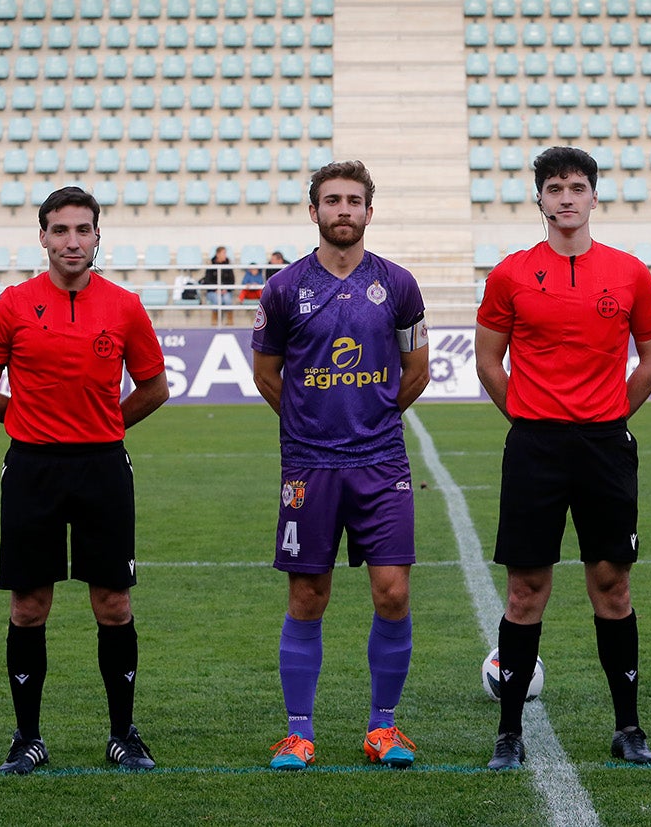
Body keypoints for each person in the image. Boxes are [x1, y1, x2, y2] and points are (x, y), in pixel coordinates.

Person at [475, 146, 651, 771]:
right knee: (526, 588)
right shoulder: (509, 274)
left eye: (578, 186)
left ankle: (629, 728)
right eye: (555, 187)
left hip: (604, 446)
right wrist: (531, 417)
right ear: (539, 198)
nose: (567, 197)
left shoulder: (629, 273)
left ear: (594, 197)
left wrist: (610, 414)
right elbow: (488, 362)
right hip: (536, 447)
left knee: (612, 585)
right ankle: (509, 735)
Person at [0, 187, 169, 775]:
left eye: (83, 230)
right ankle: (28, 737)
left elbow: (154, 388)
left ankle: (123, 735)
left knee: (113, 602)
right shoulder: (13, 304)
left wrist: (102, 426)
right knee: (30, 605)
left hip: (103, 467)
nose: (72, 241)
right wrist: (35, 423)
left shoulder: (125, 305)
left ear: (98, 235)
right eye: (60, 230)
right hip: (33, 468)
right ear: (43, 236)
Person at [251, 161, 430, 771]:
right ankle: (298, 732)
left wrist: (377, 415)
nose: (344, 210)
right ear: (315, 212)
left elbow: (418, 370)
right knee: (308, 595)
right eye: (332, 201)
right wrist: (306, 424)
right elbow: (266, 374)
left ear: (369, 212)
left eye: (354, 200)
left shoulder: (399, 286)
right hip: (309, 467)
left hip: (382, 463)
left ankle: (384, 728)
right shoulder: (282, 290)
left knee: (393, 592)